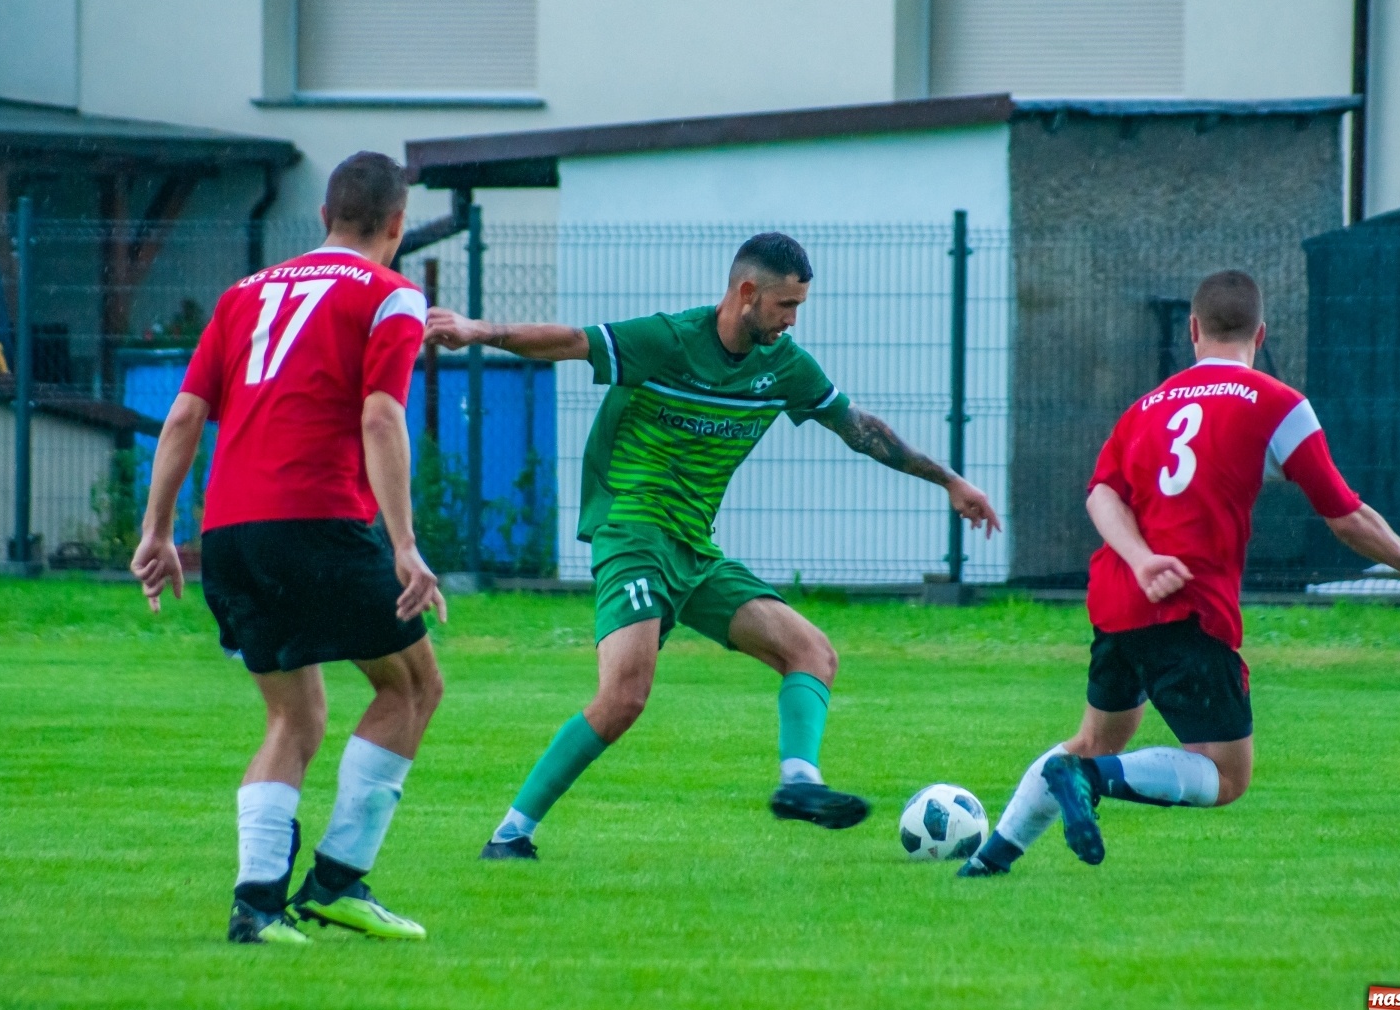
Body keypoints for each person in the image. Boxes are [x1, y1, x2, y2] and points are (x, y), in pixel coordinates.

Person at [426, 232, 1001, 859]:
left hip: (695, 552)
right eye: (785, 305)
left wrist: (948, 481)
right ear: (746, 292)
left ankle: (799, 785)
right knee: (624, 696)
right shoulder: (669, 341)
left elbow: (860, 430)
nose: (792, 320)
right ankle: (511, 835)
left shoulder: (784, 367)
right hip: (634, 534)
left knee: (812, 652)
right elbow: (571, 341)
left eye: (799, 307)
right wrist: (479, 330)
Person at [959, 269, 1400, 878]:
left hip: (1119, 597)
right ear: (1261, 334)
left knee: (1093, 739)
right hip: (1189, 607)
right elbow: (1344, 515)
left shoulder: (1146, 407)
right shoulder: (1277, 403)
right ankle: (1086, 780)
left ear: (1193, 329)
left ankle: (989, 860)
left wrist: (1139, 559)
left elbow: (1101, 494)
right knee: (1225, 773)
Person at [131, 151, 447, 942]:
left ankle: (256, 907)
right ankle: (338, 880)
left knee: (294, 715)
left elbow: (182, 417)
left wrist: (157, 531)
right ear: (397, 225)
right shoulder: (392, 294)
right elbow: (380, 416)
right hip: (317, 521)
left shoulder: (243, 294)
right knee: (412, 687)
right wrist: (404, 544)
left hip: (230, 535)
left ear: (322, 219)